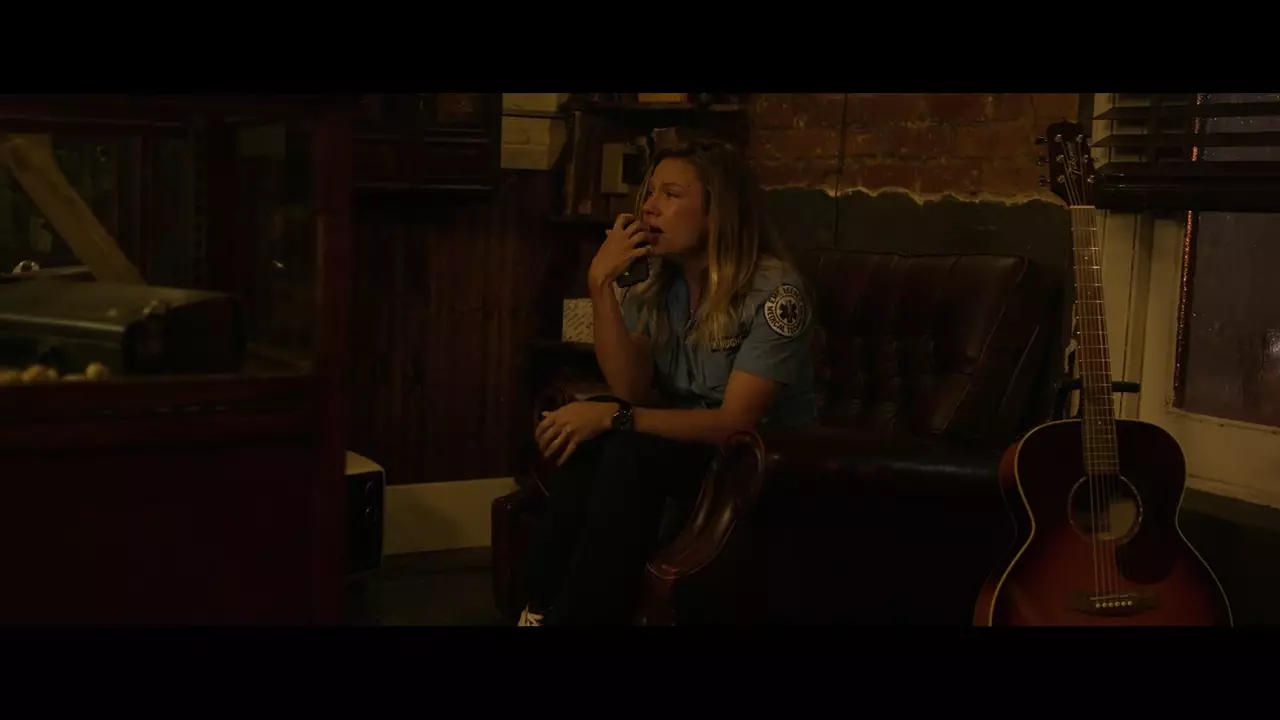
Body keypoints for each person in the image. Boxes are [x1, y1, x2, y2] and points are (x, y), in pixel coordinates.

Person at [520, 139, 817, 626]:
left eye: (671, 194)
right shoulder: (659, 283)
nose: (649, 208)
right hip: (688, 449)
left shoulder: (774, 292)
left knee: (627, 445)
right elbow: (630, 387)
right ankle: (536, 608)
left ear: (717, 213)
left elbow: (735, 424)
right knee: (594, 439)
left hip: (761, 462)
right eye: (649, 192)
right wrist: (601, 286)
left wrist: (616, 417)